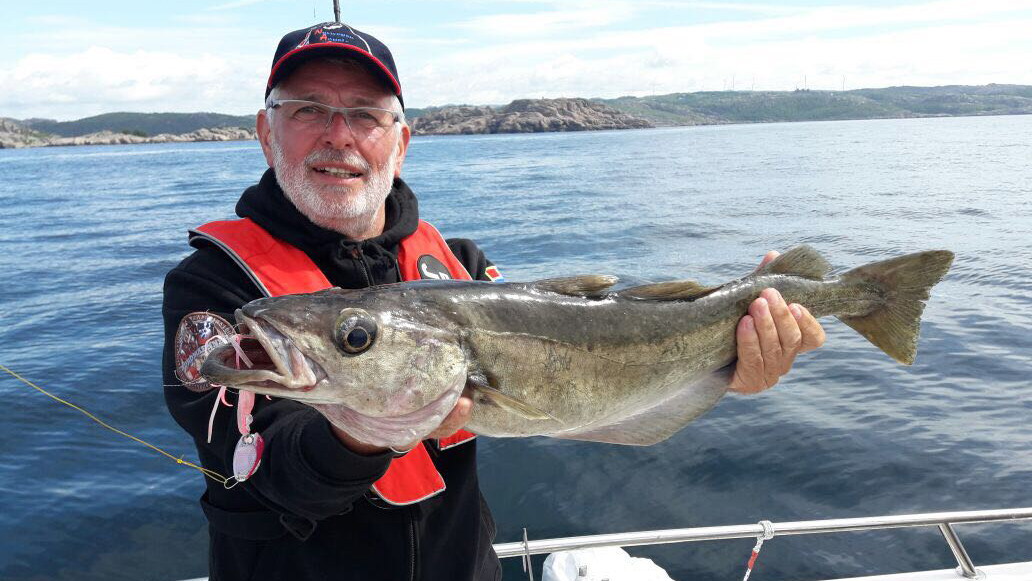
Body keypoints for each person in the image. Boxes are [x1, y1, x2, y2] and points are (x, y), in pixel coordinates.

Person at [162, 21, 825, 581]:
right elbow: (261, 467)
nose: (339, 134)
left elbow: (579, 405)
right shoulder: (214, 289)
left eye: (365, 113)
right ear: (265, 130)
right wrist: (362, 429)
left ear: (400, 141)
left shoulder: (460, 267)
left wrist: (726, 368)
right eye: (307, 108)